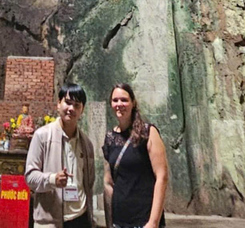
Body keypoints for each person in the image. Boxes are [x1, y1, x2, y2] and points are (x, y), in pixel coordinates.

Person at [25, 83, 95, 228]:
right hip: (51, 221)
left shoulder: (87, 144)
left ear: (82, 110)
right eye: (68, 103)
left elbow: (89, 181)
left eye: (77, 105)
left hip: (81, 218)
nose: (71, 109)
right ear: (58, 104)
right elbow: (30, 177)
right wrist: (52, 179)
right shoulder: (42, 136)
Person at [103, 83, 168, 228]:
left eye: (124, 100)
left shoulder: (148, 132)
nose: (119, 104)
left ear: (133, 103)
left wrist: (153, 222)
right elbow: (108, 184)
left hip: (144, 219)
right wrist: (109, 222)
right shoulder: (110, 138)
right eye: (115, 100)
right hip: (119, 220)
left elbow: (162, 177)